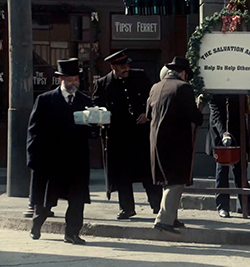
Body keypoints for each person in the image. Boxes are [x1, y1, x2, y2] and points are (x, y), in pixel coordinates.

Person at [26, 58, 95, 244]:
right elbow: (34, 130)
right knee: (47, 199)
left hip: (76, 160)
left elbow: (92, 132)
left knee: (77, 200)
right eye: (69, 80)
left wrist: (96, 125)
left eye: (76, 80)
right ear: (61, 80)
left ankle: (72, 233)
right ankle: (37, 223)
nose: (73, 83)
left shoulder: (85, 101)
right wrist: (33, 157)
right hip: (52, 160)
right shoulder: (46, 100)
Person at [93, 49, 162, 220]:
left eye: (127, 65)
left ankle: (157, 206)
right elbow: (96, 107)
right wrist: (102, 117)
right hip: (118, 137)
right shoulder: (103, 84)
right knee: (122, 175)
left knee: (148, 172)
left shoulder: (140, 77)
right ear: (113, 67)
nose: (126, 68)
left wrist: (147, 114)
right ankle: (127, 208)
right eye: (122, 66)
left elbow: (153, 98)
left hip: (140, 135)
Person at [147, 57, 203, 233]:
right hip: (175, 141)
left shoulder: (156, 87)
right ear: (183, 73)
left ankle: (172, 217)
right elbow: (194, 116)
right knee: (177, 179)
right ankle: (163, 219)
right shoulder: (183, 87)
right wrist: (199, 107)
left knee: (167, 179)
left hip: (156, 139)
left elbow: (148, 114)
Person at [205, 95, 250, 218]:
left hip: (237, 132)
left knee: (241, 169)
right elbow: (216, 114)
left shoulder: (237, 91)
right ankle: (222, 206)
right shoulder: (216, 92)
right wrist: (224, 133)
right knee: (222, 169)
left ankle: (244, 205)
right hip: (220, 135)